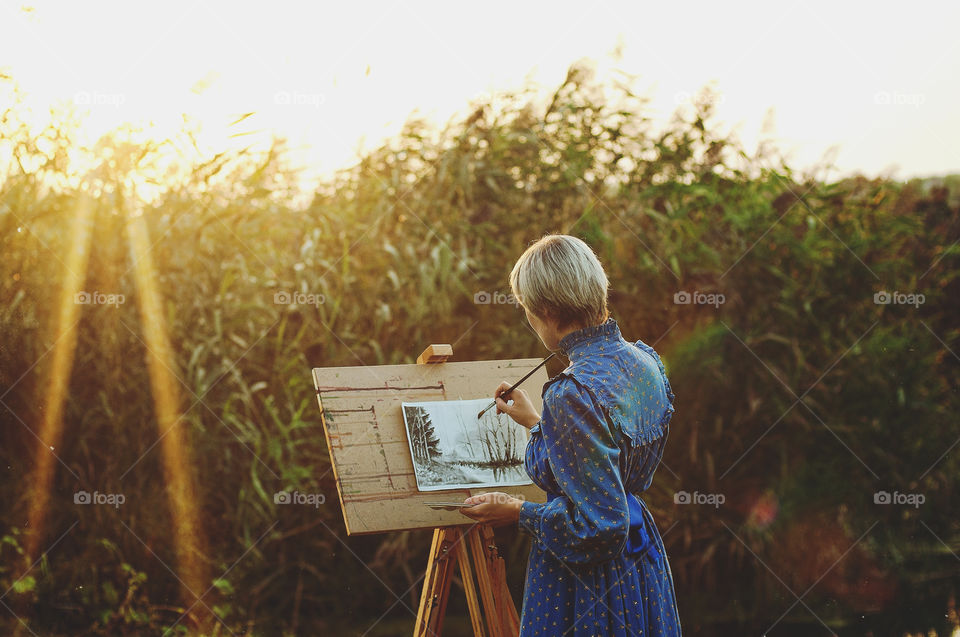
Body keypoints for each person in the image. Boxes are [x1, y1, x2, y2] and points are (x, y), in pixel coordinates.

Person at [460, 234, 682, 636]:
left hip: (588, 584)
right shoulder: (646, 360)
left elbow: (601, 525)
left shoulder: (571, 392)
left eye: (528, 310)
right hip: (641, 565)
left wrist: (516, 512)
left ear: (545, 309)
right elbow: (606, 460)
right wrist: (536, 424)